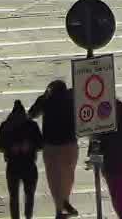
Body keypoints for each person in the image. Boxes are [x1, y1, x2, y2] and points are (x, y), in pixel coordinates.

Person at [30, 79, 78, 217]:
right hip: (70, 143)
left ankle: (60, 209)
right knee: (68, 176)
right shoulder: (72, 96)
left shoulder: (46, 100)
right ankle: (64, 202)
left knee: (55, 178)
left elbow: (32, 114)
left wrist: (44, 96)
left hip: (51, 145)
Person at [0, 100, 43, 219]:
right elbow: (41, 144)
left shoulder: (6, 125)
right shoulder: (32, 125)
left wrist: (10, 148)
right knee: (29, 194)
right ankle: (28, 216)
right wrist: (29, 146)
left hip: (13, 165)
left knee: (14, 196)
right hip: (29, 164)